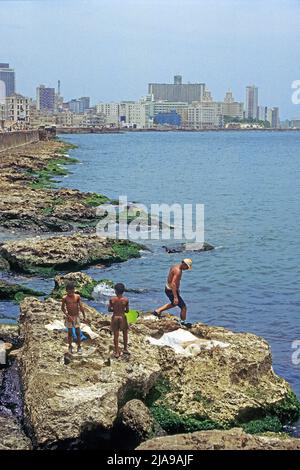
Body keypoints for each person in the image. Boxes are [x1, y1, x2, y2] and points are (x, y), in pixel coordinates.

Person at [153, 258, 192, 322]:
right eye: (187, 267)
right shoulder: (178, 271)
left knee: (174, 303)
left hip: (168, 288)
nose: (187, 269)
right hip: (171, 290)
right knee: (183, 307)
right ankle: (183, 323)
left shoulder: (174, 266)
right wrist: (175, 296)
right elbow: (173, 283)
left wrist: (177, 289)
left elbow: (173, 280)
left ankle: (157, 311)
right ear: (184, 264)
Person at [62, 281, 86, 354]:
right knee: (69, 333)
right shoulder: (65, 298)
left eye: (72, 290)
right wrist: (67, 315)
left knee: (78, 332)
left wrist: (84, 316)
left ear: (74, 289)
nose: (71, 292)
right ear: (66, 290)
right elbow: (62, 308)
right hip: (69, 317)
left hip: (76, 316)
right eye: (69, 290)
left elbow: (81, 307)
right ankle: (70, 346)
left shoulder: (77, 297)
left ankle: (79, 347)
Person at [108, 283, 130, 358]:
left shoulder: (112, 299)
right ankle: (125, 349)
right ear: (123, 291)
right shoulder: (126, 300)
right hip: (122, 317)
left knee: (116, 335)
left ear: (115, 291)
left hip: (115, 317)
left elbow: (109, 309)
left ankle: (117, 352)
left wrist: (114, 309)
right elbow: (127, 311)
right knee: (125, 333)